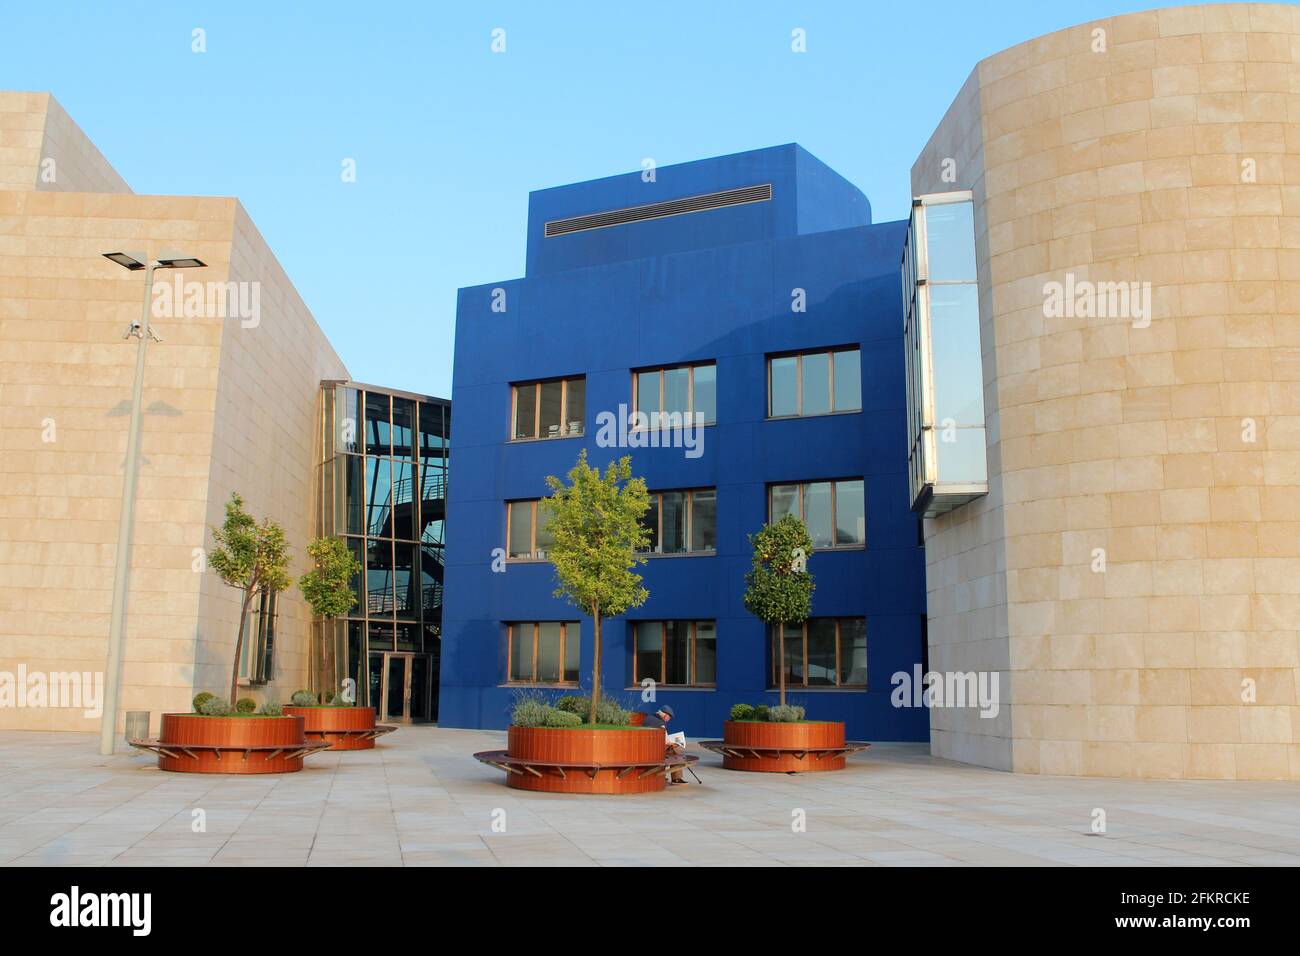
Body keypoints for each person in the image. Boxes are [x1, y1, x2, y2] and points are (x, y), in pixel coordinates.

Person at [641, 705, 685, 784]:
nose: (669, 720)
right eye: (669, 718)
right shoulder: (660, 724)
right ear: (665, 715)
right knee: (676, 751)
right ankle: (677, 779)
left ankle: (663, 776)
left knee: (665, 749)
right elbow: (666, 742)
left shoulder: (648, 718)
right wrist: (675, 744)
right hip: (655, 750)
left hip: (645, 747)